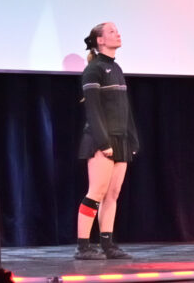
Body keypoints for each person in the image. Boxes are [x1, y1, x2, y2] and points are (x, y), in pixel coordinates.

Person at [75, 22, 139, 260]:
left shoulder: (117, 68)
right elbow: (93, 110)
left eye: (117, 30)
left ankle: (107, 244)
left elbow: (125, 108)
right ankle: (83, 247)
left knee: (112, 194)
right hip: (100, 139)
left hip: (121, 139)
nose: (117, 33)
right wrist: (103, 143)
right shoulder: (94, 70)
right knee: (97, 191)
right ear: (100, 40)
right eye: (112, 31)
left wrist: (132, 140)